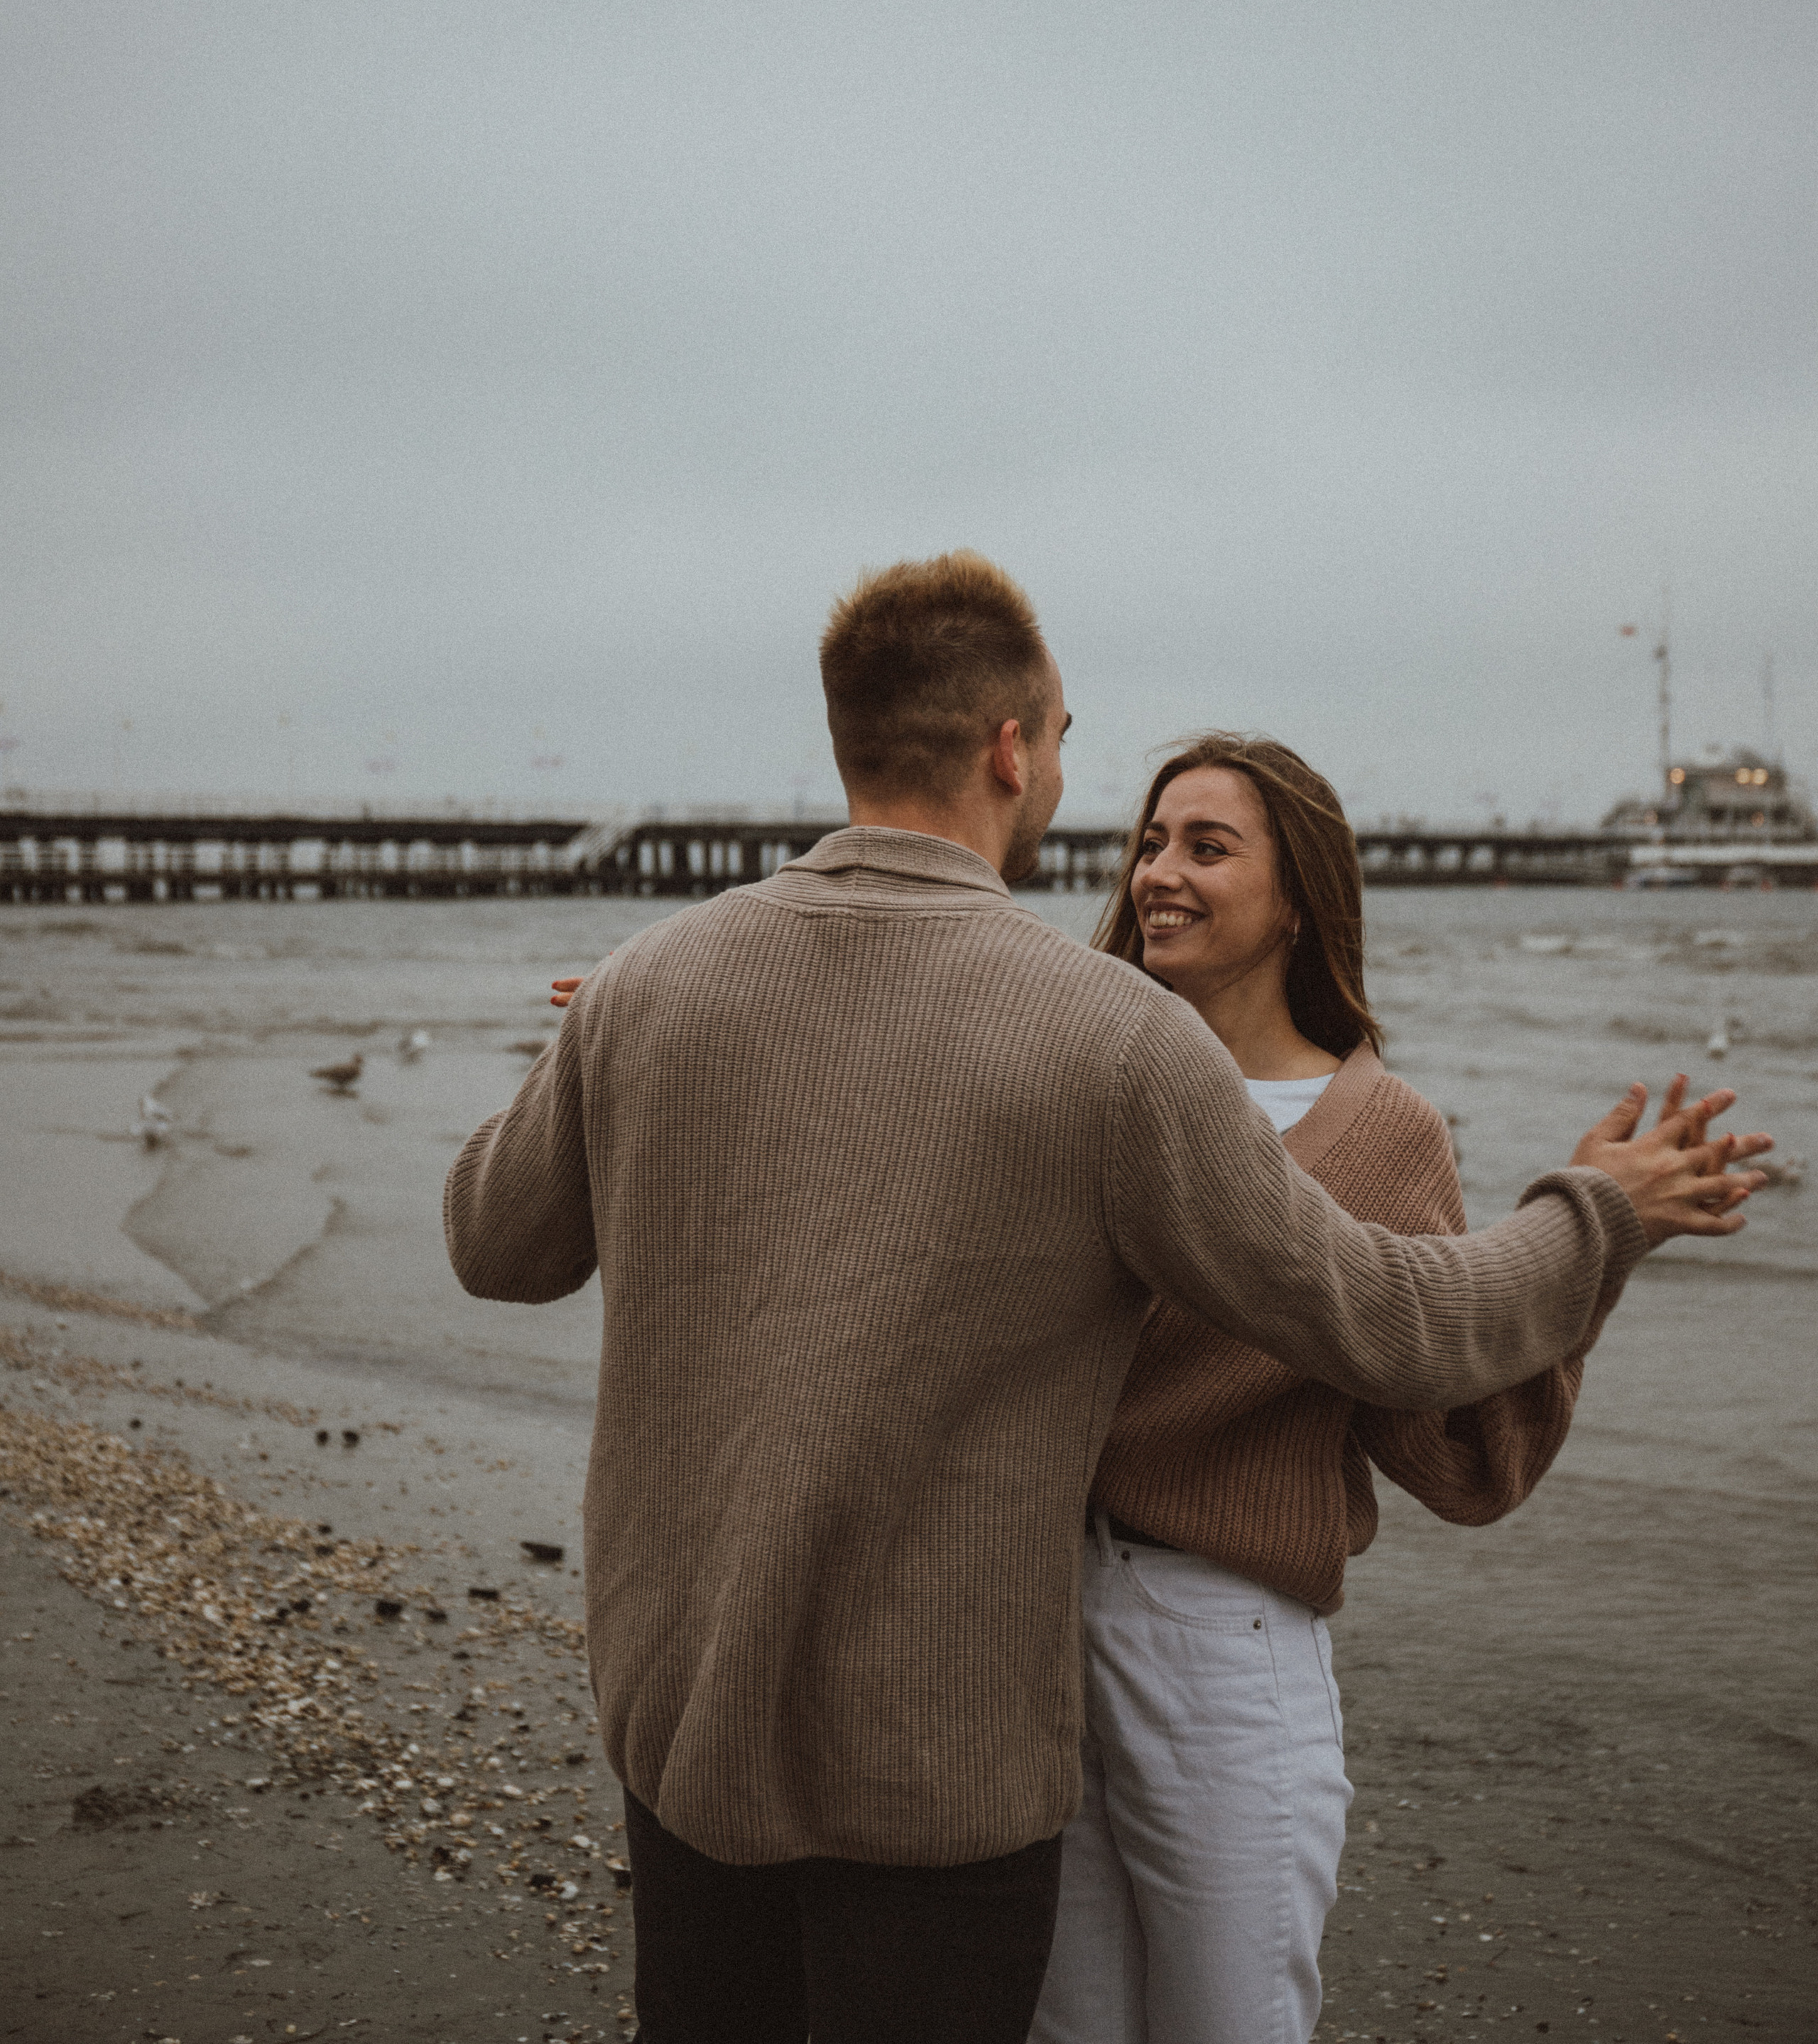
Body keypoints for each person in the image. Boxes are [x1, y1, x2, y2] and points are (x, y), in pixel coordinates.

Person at [445, 552, 1765, 2044]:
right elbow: (1387, 1318)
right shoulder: (1111, 1035)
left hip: (684, 1732)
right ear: (1012, 751)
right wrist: (1599, 1213)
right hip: (935, 1773)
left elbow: (492, 1243)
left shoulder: (654, 979)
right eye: (1069, 742)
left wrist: (604, 1048)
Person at [1030, 734, 1645, 2044]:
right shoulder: (1074, 1075)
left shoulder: (1379, 1131)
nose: (1160, 874)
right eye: (1152, 842)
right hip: (1025, 1624)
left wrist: (1587, 1242)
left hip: (1222, 1641)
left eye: (1208, 848)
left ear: (1298, 900)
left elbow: (1461, 1451)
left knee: (1233, 2025)